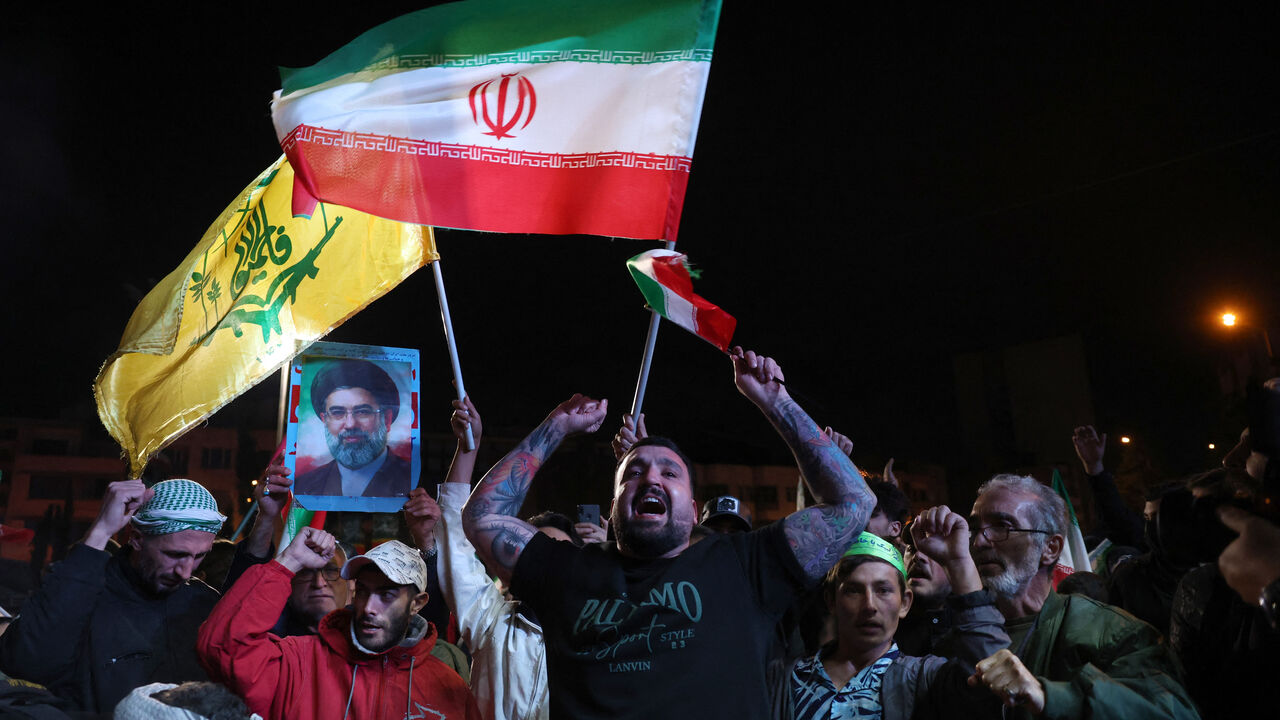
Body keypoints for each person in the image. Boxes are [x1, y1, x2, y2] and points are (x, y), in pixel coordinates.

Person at [462, 347, 875, 720]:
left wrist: (775, 401)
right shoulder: (568, 572)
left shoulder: (744, 565)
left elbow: (854, 503)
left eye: (670, 472)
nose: (651, 479)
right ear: (614, 508)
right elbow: (481, 517)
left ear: (694, 511)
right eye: (633, 473)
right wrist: (557, 425)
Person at [966, 474, 1197, 718]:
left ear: (1050, 548)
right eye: (974, 528)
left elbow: (1174, 713)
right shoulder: (956, 630)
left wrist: (1049, 697)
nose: (979, 542)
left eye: (1002, 526)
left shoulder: (1109, 633)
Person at [197, 530, 479, 720]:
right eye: (364, 591)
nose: (368, 607)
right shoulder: (301, 661)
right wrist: (289, 561)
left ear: (417, 603)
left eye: (387, 594)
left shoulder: (448, 686)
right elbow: (222, 648)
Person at [0, 478, 226, 713]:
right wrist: (101, 530)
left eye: (199, 556)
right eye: (174, 554)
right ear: (137, 538)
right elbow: (27, 661)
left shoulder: (202, 602)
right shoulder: (86, 593)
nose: (186, 571)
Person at [771, 508, 1008, 720]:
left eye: (883, 590)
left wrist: (958, 561)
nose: (869, 606)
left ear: (904, 603)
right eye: (853, 590)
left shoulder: (924, 679)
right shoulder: (785, 678)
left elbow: (993, 679)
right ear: (831, 601)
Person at [404, 394, 559, 720]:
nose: (550, 564)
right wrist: (467, 448)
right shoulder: (494, 623)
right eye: (538, 551)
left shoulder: (596, 638)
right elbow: (456, 544)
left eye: (562, 553)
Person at [295, 358, 411, 498]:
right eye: (338, 413)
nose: (350, 424)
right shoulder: (303, 486)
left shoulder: (414, 482)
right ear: (325, 420)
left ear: (386, 419)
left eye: (363, 411)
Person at [893, 542, 954, 656]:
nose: (918, 556)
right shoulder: (882, 617)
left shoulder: (973, 625)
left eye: (934, 551)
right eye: (912, 548)